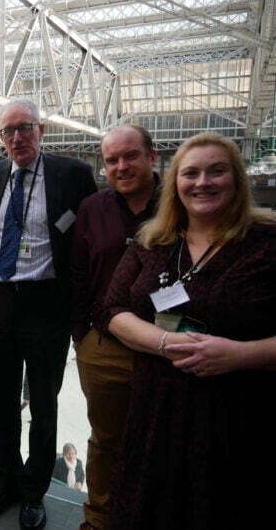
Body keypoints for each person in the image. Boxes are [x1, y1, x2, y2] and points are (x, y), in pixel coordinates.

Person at [102, 132, 276, 529]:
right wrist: (164, 343)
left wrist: (238, 355)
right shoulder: (153, 242)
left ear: (237, 178)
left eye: (216, 171)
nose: (202, 183)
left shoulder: (267, 243)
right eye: (191, 173)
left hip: (237, 417)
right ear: (175, 182)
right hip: (156, 412)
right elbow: (112, 309)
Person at [0, 99, 96, 529]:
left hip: (47, 304)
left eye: (24, 128)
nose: (16, 138)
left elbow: (90, 237)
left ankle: (33, 492)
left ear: (41, 130)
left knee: (43, 405)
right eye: (7, 132)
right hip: (0, 301)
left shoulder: (72, 175)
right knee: (0, 402)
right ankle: (6, 481)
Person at [70, 125, 159, 530]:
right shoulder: (93, 207)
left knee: (160, 438)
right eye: (112, 160)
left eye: (131, 156)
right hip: (103, 345)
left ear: (152, 156)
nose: (121, 167)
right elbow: (77, 272)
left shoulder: (179, 203)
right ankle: (100, 517)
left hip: (164, 344)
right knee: (105, 438)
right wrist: (82, 334)